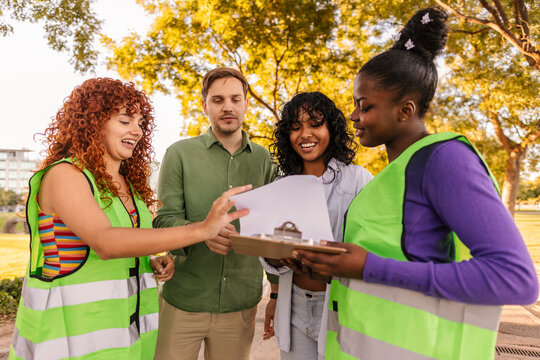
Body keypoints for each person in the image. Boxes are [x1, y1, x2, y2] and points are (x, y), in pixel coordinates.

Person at [291, 7, 539, 360]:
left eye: (364, 106)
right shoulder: (394, 174)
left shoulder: (444, 160)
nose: (353, 116)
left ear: (405, 111)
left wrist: (367, 266)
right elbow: (399, 262)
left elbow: (515, 278)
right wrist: (330, 268)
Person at [9, 77, 251, 360]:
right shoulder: (65, 174)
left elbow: (117, 249)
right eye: (125, 121)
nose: (136, 130)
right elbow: (106, 242)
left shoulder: (130, 188)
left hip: (126, 344)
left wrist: (145, 261)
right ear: (92, 122)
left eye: (140, 123)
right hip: (67, 342)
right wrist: (203, 229)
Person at [152, 68, 275, 360]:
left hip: (241, 302)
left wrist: (277, 290)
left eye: (235, 99)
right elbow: (163, 220)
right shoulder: (179, 153)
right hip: (184, 298)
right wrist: (203, 231)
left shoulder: (265, 159)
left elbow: (272, 228)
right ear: (205, 105)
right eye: (218, 100)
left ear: (247, 104)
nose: (228, 107)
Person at [260, 92, 372, 360]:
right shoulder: (281, 185)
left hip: (338, 306)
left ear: (331, 129)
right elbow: (271, 257)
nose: (304, 134)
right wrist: (274, 255)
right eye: (295, 127)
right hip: (296, 304)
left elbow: (370, 249)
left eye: (314, 124)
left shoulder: (359, 180)